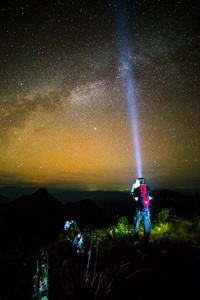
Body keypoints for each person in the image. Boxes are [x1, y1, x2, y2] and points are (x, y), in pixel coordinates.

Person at [131, 177, 153, 243]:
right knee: (147, 224)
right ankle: (146, 239)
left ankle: (136, 238)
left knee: (136, 222)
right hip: (147, 210)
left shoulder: (137, 189)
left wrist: (133, 186)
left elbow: (133, 196)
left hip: (139, 210)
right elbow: (151, 198)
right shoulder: (147, 188)